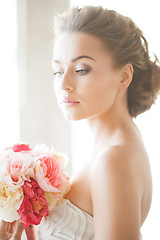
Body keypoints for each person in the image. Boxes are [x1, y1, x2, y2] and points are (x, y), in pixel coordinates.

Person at [0, 5, 160, 240]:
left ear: (124, 76)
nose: (64, 84)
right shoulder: (114, 148)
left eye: (81, 69)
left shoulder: (114, 159)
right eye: (58, 71)